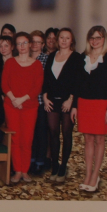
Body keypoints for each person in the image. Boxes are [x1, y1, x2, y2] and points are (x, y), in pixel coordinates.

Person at [72, 26, 107, 193]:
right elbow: (77, 84)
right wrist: (75, 106)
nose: (95, 41)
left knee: (99, 140)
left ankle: (95, 176)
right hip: (84, 103)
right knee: (88, 140)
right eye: (92, 38)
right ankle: (87, 175)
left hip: (101, 104)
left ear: (104, 39)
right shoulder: (82, 57)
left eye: (98, 37)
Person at [2, 32, 44, 184]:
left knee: (27, 139)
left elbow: (37, 87)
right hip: (11, 105)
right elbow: (4, 84)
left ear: (30, 44)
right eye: (19, 43)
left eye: (25, 43)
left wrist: (22, 99)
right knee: (15, 138)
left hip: (29, 106)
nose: (22, 46)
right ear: (15, 46)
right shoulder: (10, 63)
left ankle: (25, 170)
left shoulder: (37, 64)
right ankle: (17, 170)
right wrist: (14, 99)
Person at [43, 28, 84, 182]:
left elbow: (78, 82)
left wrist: (71, 100)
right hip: (52, 101)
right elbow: (46, 78)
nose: (64, 40)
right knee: (53, 133)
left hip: (68, 101)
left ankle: (63, 167)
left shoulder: (76, 57)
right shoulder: (52, 56)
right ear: (57, 39)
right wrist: (44, 97)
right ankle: (55, 165)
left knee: (66, 133)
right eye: (62, 37)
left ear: (71, 40)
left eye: (67, 38)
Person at [29, 30, 50, 176]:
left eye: (38, 42)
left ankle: (39, 162)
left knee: (41, 132)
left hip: (41, 101)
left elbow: (47, 81)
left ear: (43, 44)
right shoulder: (25, 58)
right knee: (30, 133)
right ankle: (30, 161)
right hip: (27, 102)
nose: (35, 44)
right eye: (33, 41)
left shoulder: (47, 59)